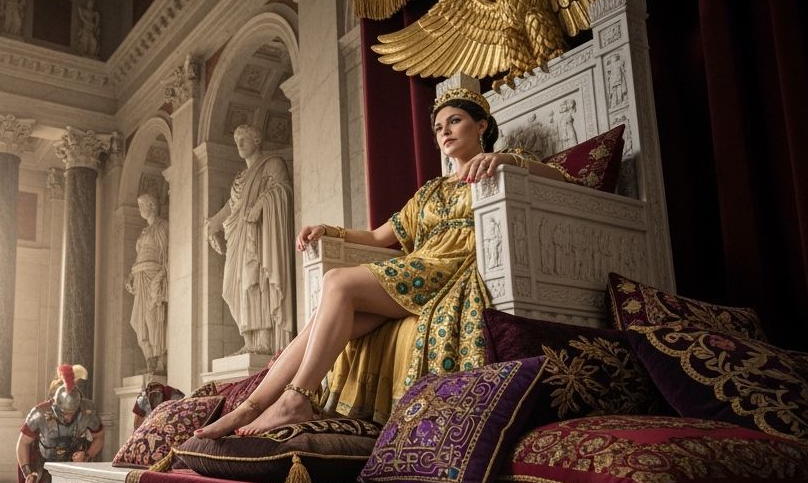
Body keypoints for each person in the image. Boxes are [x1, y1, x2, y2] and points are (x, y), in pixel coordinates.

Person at [198, 87, 565, 438]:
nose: (444, 132)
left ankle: (298, 397)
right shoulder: (431, 190)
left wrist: (505, 160)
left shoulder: (504, 165)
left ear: (481, 125)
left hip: (453, 269)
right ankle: (250, 406)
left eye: (454, 121)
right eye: (438, 128)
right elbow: (377, 237)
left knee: (337, 283)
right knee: (324, 321)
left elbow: (563, 181)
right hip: (422, 268)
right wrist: (327, 230)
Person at [205, 124, 294, 355]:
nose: (239, 145)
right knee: (235, 285)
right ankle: (250, 339)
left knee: (256, 281)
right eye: (236, 141)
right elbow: (231, 207)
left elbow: (283, 191)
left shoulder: (272, 164)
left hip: (261, 235)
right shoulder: (240, 177)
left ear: (257, 139)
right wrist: (213, 222)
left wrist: (261, 205)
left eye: (243, 139)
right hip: (239, 235)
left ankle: (264, 339)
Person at [16, 364, 102, 483]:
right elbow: (22, 443)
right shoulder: (40, 413)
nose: (69, 418)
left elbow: (99, 437)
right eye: (65, 413)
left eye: (73, 413)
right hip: (45, 465)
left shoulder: (86, 410)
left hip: (74, 467)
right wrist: (28, 473)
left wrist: (87, 456)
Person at [127, 194, 168, 374]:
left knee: (152, 319)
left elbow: (167, 255)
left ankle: (159, 361)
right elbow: (139, 256)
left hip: (153, 275)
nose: (140, 209)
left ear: (152, 205)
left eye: (142, 205)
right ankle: (149, 358)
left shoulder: (162, 227)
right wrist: (131, 276)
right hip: (140, 276)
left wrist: (162, 277)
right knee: (137, 321)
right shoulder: (144, 232)